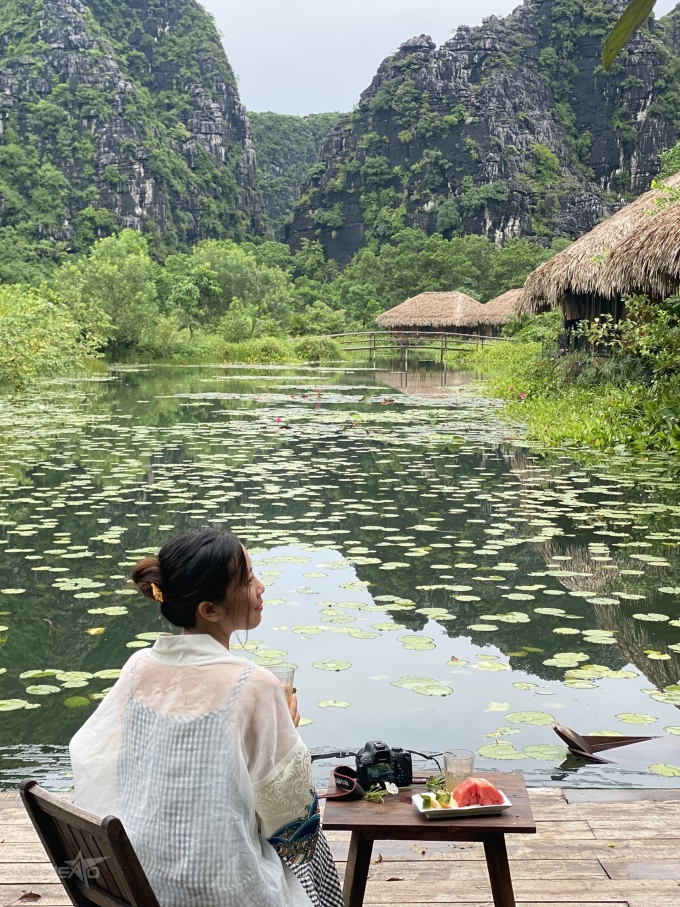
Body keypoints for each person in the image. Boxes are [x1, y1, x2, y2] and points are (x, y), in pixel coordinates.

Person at [69, 528, 343, 907]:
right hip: (223, 891)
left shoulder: (137, 669)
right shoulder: (255, 685)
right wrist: (286, 731)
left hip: (141, 877)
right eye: (248, 580)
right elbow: (293, 827)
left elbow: (90, 755)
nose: (261, 587)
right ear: (209, 609)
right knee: (315, 858)